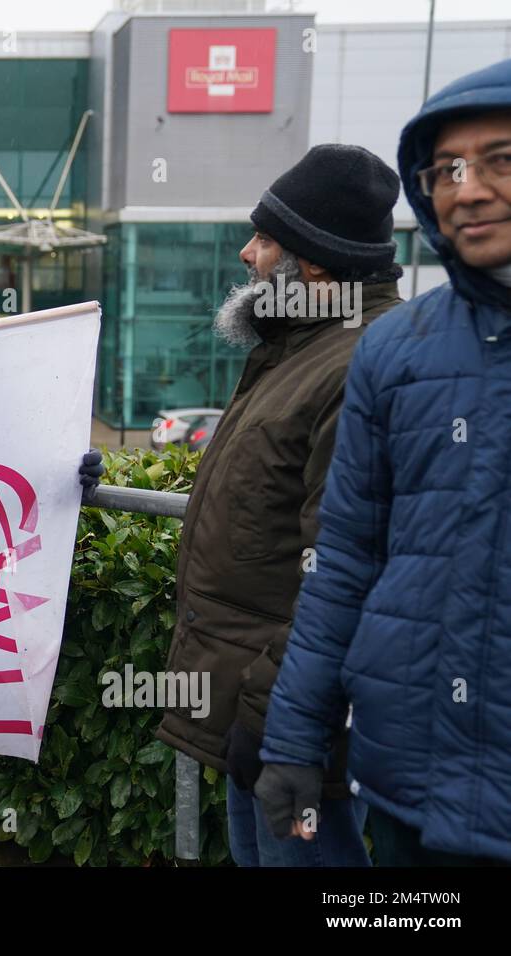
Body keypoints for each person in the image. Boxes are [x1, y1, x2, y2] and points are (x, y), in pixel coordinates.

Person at [257, 58, 511, 866]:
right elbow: (343, 564)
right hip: (407, 788)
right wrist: (292, 740)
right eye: (445, 170)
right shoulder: (396, 350)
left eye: (500, 160)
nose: (467, 189)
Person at [155, 145, 405, 866]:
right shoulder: (300, 347)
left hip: (295, 724)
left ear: (316, 264)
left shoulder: (358, 362)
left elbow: (344, 567)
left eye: (265, 239)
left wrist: (272, 713)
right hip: (265, 708)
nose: (246, 253)